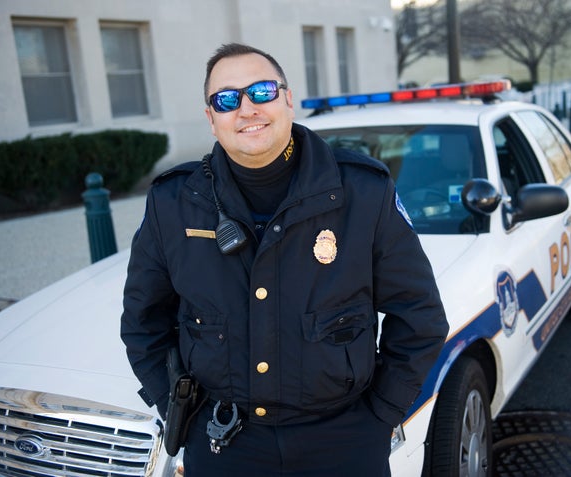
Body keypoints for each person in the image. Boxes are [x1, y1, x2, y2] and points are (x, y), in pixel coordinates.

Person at [120, 43, 449, 477]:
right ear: (211, 119)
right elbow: (143, 323)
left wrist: (377, 418)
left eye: (261, 91)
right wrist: (183, 414)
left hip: (344, 441)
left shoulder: (363, 192)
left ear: (287, 99)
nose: (247, 108)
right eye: (226, 99)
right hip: (225, 443)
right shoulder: (174, 203)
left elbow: (420, 317)